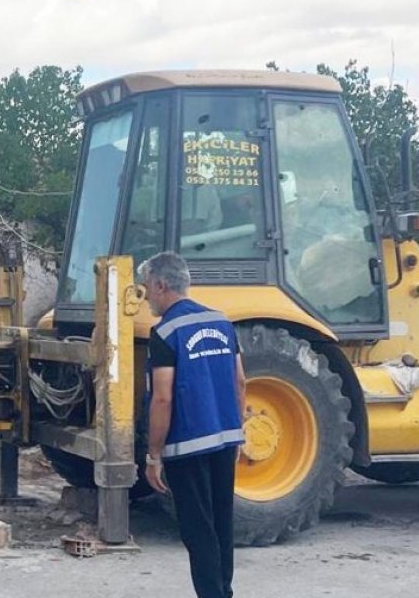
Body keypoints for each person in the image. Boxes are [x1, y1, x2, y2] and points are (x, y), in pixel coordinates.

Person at [138, 251, 247, 598]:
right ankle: (224, 592)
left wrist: (153, 454)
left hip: (187, 445)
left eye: (146, 289)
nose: (146, 298)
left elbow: (163, 398)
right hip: (225, 440)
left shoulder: (166, 332)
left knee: (197, 529)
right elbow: (240, 381)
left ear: (161, 284)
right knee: (221, 524)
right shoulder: (222, 322)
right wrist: (237, 433)